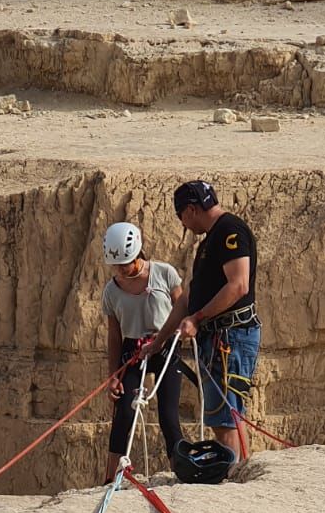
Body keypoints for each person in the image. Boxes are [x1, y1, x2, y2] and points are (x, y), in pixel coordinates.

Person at [147, 180, 260, 461]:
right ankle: (239, 469)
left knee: (224, 417)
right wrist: (159, 342)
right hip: (219, 337)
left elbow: (238, 285)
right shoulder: (212, 239)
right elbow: (188, 298)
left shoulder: (229, 231)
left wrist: (197, 318)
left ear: (191, 209)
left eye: (181, 217)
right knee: (228, 414)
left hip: (229, 336)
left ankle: (233, 471)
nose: (184, 225)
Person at [101, 221, 185, 482]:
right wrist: (113, 376)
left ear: (137, 254)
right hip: (134, 351)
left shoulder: (165, 274)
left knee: (168, 415)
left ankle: (180, 472)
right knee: (125, 412)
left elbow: (182, 310)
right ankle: (109, 479)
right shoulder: (111, 291)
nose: (120, 269)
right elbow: (114, 336)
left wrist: (166, 337)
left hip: (166, 345)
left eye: (124, 263)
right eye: (116, 265)